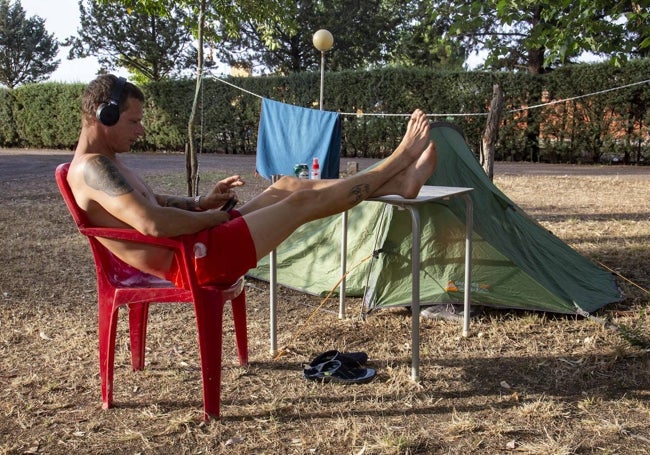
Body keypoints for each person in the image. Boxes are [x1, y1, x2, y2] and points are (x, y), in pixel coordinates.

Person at [67, 74, 438, 287]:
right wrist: (212, 219)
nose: (142, 130)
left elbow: (153, 204)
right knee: (299, 204)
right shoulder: (92, 169)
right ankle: (397, 160)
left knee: (287, 185)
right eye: (134, 121)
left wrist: (201, 204)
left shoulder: (104, 164)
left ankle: (396, 184)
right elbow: (151, 223)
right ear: (105, 115)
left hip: (197, 244)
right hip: (195, 262)